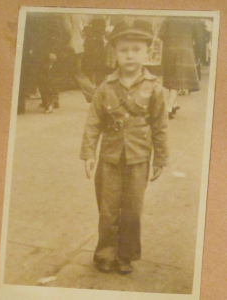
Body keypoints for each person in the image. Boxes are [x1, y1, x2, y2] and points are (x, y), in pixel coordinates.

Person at [80, 19, 168, 274]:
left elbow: (160, 126)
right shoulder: (105, 88)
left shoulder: (155, 88)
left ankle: (126, 254)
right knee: (107, 208)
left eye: (136, 49)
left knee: (132, 209)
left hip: (139, 157)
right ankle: (105, 252)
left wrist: (161, 159)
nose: (130, 55)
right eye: (123, 50)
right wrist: (88, 153)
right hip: (109, 157)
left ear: (147, 52)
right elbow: (93, 122)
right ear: (114, 53)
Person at [159, 17, 201, 119]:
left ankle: (173, 104)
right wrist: (197, 54)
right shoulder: (192, 19)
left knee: (172, 78)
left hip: (169, 49)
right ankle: (169, 108)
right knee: (177, 79)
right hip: (184, 49)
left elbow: (161, 34)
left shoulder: (169, 18)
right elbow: (199, 37)